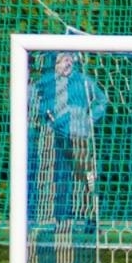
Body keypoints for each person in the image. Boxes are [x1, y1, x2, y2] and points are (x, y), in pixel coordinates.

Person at [34, 51, 107, 228]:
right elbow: (37, 101)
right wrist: (48, 117)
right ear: (55, 64)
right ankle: (59, 217)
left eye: (69, 59)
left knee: (85, 174)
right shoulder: (48, 82)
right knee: (57, 175)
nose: (67, 63)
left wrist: (90, 118)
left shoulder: (84, 80)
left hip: (79, 134)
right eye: (62, 60)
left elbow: (102, 100)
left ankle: (91, 215)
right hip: (55, 135)